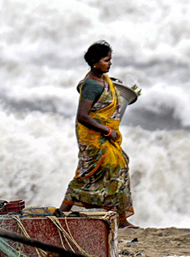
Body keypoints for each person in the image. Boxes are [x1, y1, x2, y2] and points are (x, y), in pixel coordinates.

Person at [58, 40, 136, 227]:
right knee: (88, 174)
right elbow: (82, 116)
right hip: (92, 137)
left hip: (102, 134)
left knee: (120, 164)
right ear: (95, 62)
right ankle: (62, 211)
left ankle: (120, 217)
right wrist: (108, 130)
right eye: (106, 60)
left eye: (110, 60)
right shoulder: (92, 85)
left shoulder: (105, 81)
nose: (110, 64)